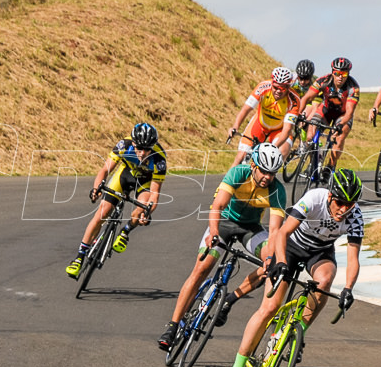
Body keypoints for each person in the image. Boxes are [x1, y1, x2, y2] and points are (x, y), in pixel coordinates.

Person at [223, 169, 363, 367]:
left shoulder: (355, 216)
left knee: (325, 280)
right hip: (290, 245)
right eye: (340, 202)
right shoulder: (314, 199)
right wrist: (279, 261)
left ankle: (296, 334)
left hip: (319, 252)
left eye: (350, 204)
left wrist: (349, 288)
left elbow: (353, 259)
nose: (344, 209)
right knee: (269, 308)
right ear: (330, 196)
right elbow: (282, 232)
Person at [157, 143, 288, 350]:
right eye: (263, 171)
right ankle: (172, 326)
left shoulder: (277, 190)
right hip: (224, 221)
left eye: (272, 173)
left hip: (250, 228)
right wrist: (214, 233)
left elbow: (274, 231)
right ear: (253, 164)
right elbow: (217, 206)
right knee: (201, 268)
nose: (267, 177)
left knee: (268, 265)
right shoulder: (238, 173)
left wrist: (270, 257)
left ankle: (230, 299)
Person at [66, 123, 166, 279]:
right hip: (125, 175)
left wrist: (148, 211)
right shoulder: (124, 145)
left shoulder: (159, 159)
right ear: (133, 143)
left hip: (144, 182)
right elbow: (105, 170)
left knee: (141, 208)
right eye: (140, 148)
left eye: (148, 149)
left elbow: (155, 193)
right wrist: (96, 189)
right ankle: (79, 257)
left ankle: (125, 231)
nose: (143, 152)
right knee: (102, 212)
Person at [229, 67, 301, 168]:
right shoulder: (263, 87)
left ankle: (268, 179)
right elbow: (246, 109)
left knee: (279, 154)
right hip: (260, 124)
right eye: (275, 87)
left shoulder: (294, 100)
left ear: (288, 87)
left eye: (282, 88)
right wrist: (235, 127)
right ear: (272, 83)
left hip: (279, 130)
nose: (278, 91)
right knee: (240, 156)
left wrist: (272, 149)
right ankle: (226, 183)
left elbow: (287, 130)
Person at [297, 57, 361, 169]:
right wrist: (297, 114)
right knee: (310, 136)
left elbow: (350, 111)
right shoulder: (324, 81)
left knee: (338, 138)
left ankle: (330, 166)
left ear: (348, 74)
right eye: (337, 73)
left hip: (343, 115)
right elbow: (306, 98)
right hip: (326, 110)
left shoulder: (353, 87)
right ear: (332, 72)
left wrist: (340, 125)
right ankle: (314, 162)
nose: (340, 77)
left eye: (344, 74)